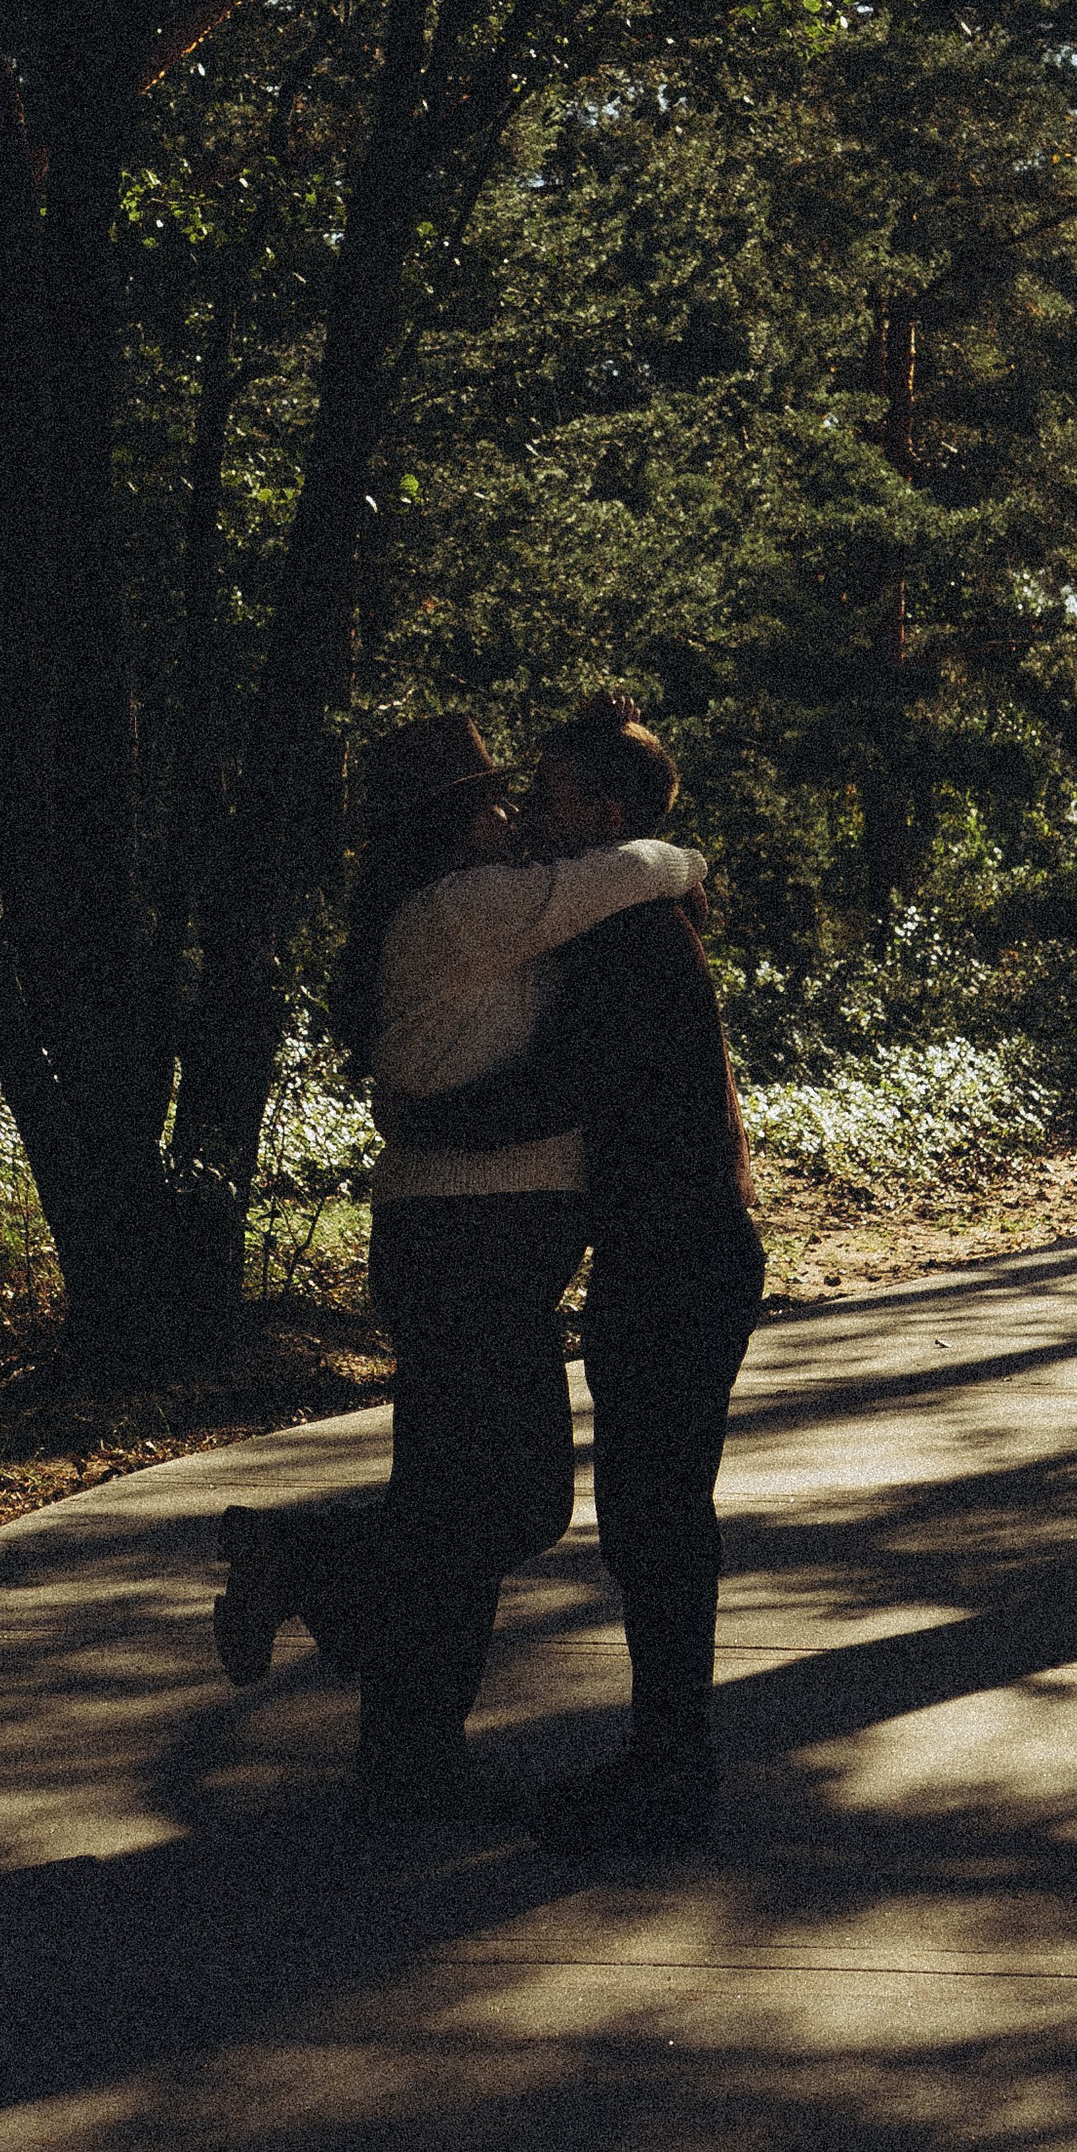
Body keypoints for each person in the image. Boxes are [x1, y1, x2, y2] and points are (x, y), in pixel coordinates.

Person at [212, 713, 707, 1827]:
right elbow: (635, 865)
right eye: (491, 806)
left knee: (451, 1507)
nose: (513, 819)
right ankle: (299, 1555)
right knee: (512, 1506)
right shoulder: (461, 910)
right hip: (465, 1243)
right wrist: (687, 860)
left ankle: (408, 1761)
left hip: (469, 1242)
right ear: (445, 830)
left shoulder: (470, 916)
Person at [376, 693, 764, 1858]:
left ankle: (668, 1769)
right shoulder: (621, 920)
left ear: (599, 810)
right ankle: (662, 1759)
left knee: (655, 1518)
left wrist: (419, 1124)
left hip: (678, 1250)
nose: (532, 823)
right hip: (668, 1246)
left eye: (545, 801)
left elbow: (563, 1089)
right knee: (649, 1514)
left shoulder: (631, 936)